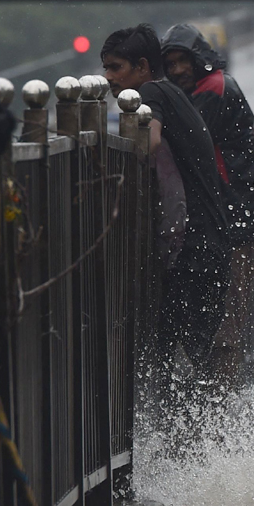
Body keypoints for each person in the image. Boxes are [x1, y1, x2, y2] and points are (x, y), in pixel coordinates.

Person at [101, 24, 232, 392]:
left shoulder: (152, 92)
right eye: (106, 69)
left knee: (173, 356)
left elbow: (148, 141)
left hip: (195, 252)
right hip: (207, 249)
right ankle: (201, 443)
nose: (109, 78)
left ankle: (192, 443)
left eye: (115, 67)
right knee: (185, 357)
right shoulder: (174, 94)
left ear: (142, 66)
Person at [160, 24, 254, 380]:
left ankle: (219, 398)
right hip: (241, 219)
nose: (177, 70)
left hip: (239, 223)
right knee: (227, 308)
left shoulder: (213, 91)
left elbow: (180, 140)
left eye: (183, 61)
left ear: (199, 59)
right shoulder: (212, 86)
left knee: (226, 313)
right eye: (170, 64)